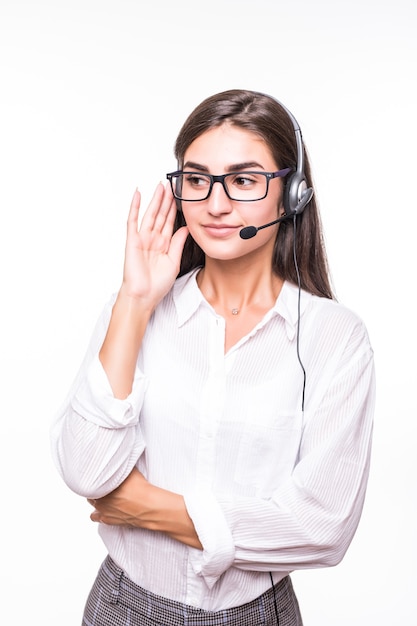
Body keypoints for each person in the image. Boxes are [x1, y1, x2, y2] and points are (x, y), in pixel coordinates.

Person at [51, 89, 375, 626]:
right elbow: (87, 472)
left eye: (244, 181)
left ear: (291, 194)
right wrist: (134, 302)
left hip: (256, 613)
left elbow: (323, 529)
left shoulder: (334, 339)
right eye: (196, 179)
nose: (215, 204)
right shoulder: (136, 309)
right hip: (122, 606)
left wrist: (147, 507)